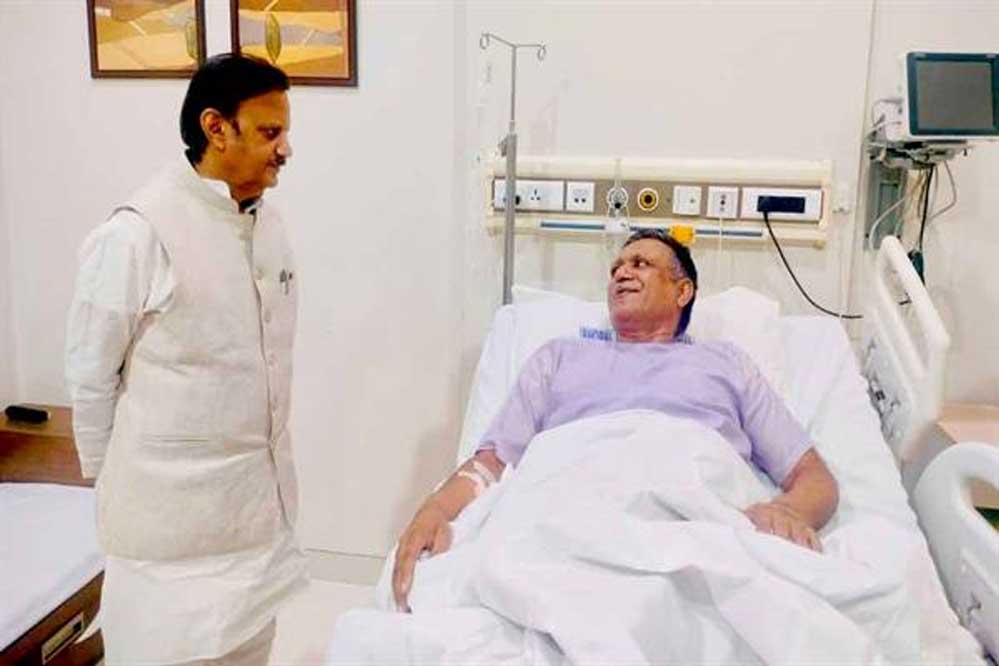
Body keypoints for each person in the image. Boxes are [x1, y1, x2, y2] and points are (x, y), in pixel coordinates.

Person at [392, 228, 839, 611]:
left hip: (692, 519)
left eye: (640, 264)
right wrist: (435, 510)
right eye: (616, 268)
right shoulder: (559, 358)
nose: (622, 273)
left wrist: (786, 512)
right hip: (568, 509)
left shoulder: (725, 363)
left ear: (682, 291)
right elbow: (489, 465)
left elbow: (814, 478)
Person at [65, 54, 302, 666]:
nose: (285, 150)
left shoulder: (268, 225)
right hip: (168, 539)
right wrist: (116, 484)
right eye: (269, 132)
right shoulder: (138, 233)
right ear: (216, 127)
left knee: (248, 651)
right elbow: (90, 375)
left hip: (253, 519)